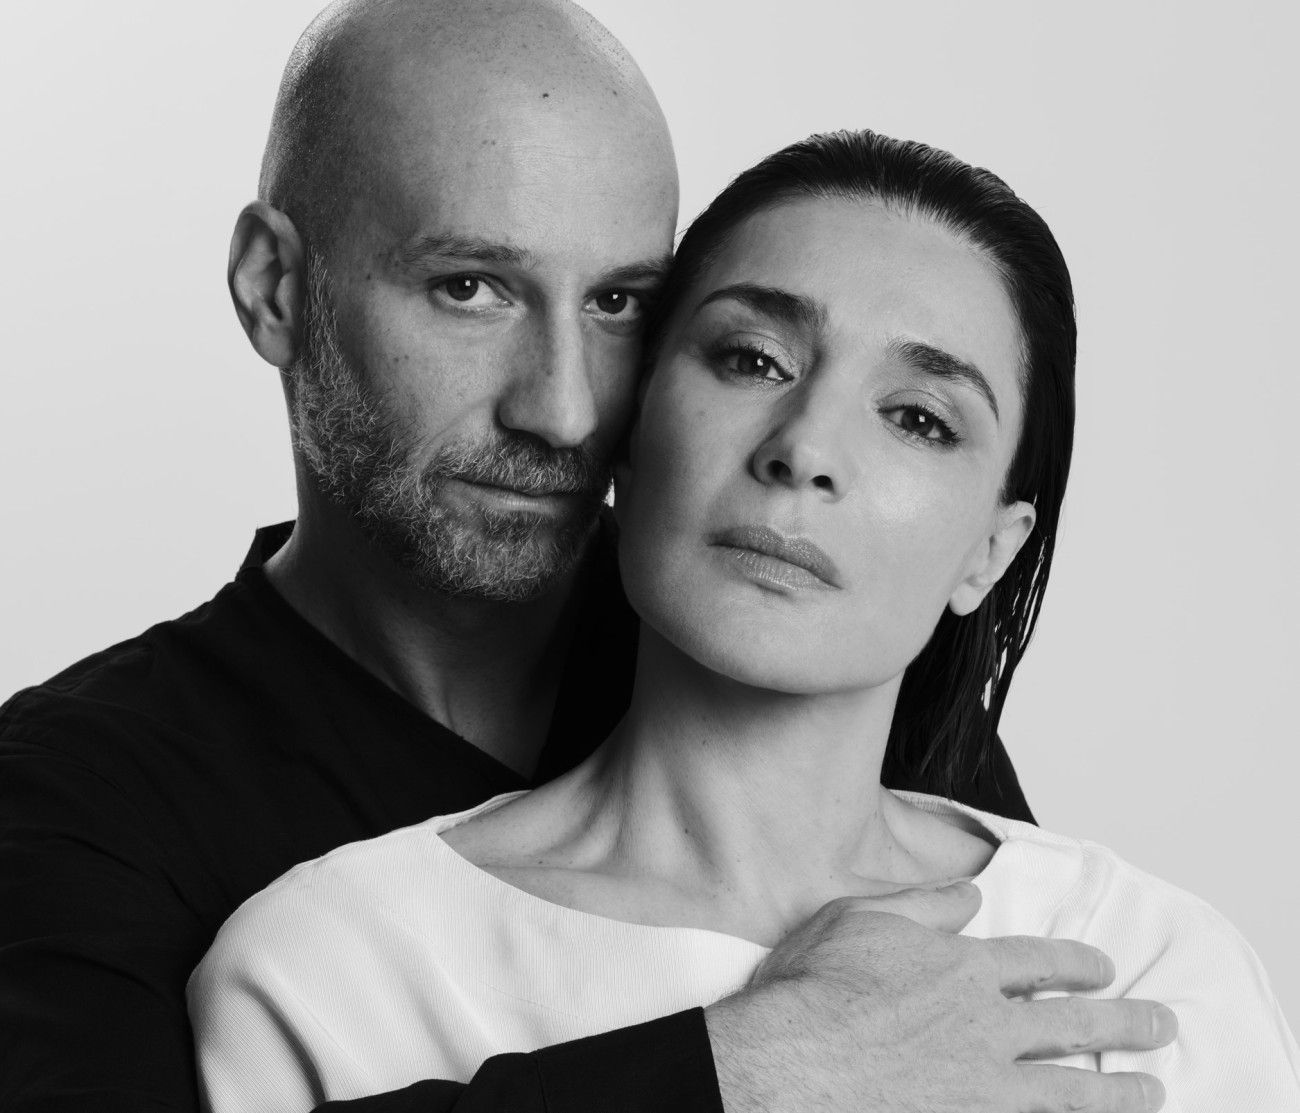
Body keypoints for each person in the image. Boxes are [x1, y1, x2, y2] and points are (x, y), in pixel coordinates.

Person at [0, 3, 1176, 1113]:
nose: (562, 410)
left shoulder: (780, 625)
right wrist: (751, 1072)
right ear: (275, 288)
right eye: (470, 289)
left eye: (618, 303)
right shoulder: (74, 797)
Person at [190, 129, 1300, 1113]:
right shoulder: (336, 970)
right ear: (629, 435)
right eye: (752, 359)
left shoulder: (1138, 970)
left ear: (990, 553)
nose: (804, 448)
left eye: (919, 418)